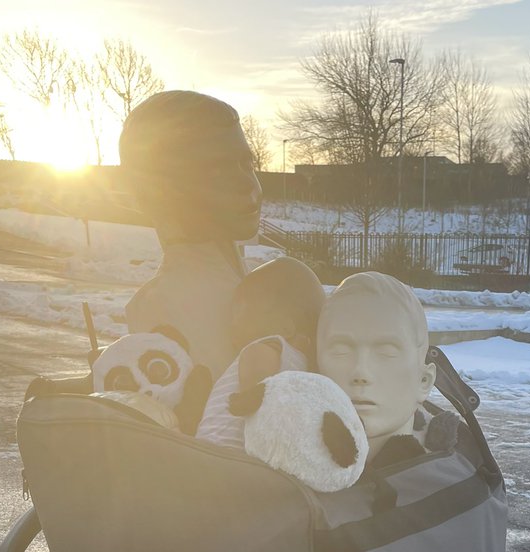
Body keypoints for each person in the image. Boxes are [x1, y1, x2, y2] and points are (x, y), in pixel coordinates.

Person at [119, 90, 262, 384]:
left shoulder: (258, 288)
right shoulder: (165, 304)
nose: (247, 183)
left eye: (247, 164)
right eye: (217, 169)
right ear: (157, 190)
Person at [195, 255, 325, 448]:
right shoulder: (307, 368)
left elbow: (257, 401)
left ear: (285, 327)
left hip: (220, 454)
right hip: (232, 457)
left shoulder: (261, 349)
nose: (231, 321)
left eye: (240, 310)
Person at [316, 272, 445, 464]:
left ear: (424, 381)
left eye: (386, 352)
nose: (361, 372)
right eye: (341, 351)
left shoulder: (457, 490)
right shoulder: (278, 482)